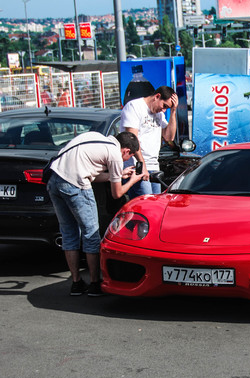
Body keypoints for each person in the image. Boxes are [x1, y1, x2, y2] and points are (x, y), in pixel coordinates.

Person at [46, 131, 144, 296]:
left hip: (54, 181)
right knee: (91, 234)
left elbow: (90, 172)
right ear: (126, 151)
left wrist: (116, 175)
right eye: (130, 156)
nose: (128, 160)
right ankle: (94, 283)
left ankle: (76, 283)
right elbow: (117, 193)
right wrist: (133, 180)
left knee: (69, 233)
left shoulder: (94, 137)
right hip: (75, 185)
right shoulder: (115, 155)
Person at [120, 85, 178, 198]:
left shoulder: (160, 114)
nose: (163, 110)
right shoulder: (134, 106)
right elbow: (132, 140)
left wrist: (173, 112)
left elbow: (169, 138)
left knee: (156, 203)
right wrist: (142, 166)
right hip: (136, 165)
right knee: (145, 202)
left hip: (154, 165)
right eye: (164, 106)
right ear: (157, 96)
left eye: (167, 108)